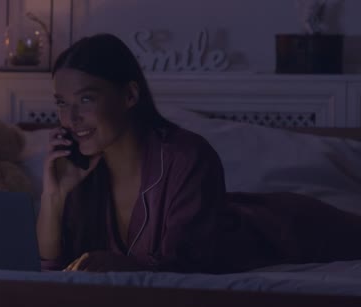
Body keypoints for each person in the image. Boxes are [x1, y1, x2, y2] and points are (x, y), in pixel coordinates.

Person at [36, 33, 361, 274]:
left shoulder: (186, 156)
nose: (70, 118)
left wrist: (118, 265)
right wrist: (53, 196)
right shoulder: (81, 173)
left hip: (288, 229)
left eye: (86, 99)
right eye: (62, 103)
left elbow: (185, 270)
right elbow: (53, 268)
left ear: (130, 95)